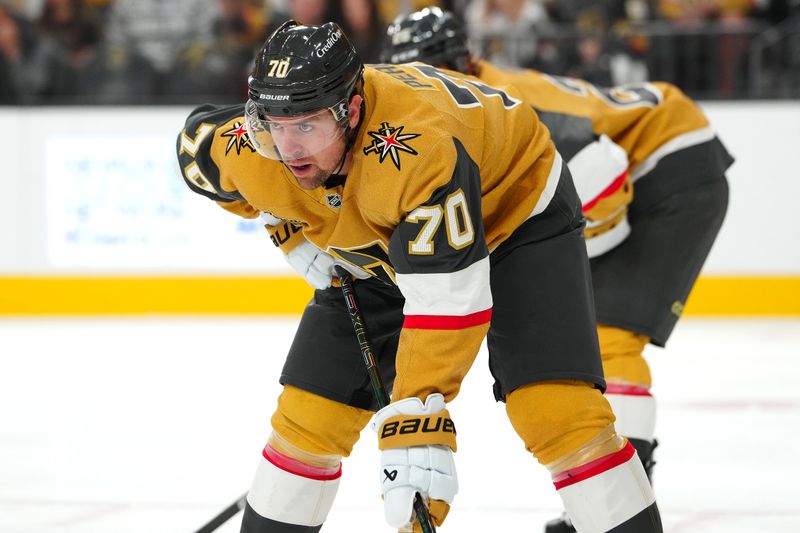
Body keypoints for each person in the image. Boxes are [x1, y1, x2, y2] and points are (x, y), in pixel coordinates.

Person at [177, 20, 664, 533]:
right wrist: (286, 225)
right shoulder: (253, 149)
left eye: (308, 126)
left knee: (557, 413)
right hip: (386, 234)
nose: (290, 148)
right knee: (309, 416)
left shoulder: (420, 148)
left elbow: (449, 301)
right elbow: (194, 147)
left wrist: (417, 421)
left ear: (354, 111)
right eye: (274, 125)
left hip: (517, 216)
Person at [381, 7, 732, 533]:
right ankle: (615, 498)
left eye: (439, 67)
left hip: (673, 164)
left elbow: (602, 180)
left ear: (467, 61)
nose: (428, 82)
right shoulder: (457, 106)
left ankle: (622, 501)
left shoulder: (510, 107)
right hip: (647, 162)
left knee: (611, 338)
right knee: (599, 329)